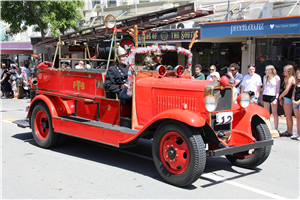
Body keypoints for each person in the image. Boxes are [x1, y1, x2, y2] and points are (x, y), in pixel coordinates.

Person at [261, 65, 281, 132]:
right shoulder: (265, 77)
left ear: (270, 70)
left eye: (266, 70)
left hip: (273, 95)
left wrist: (276, 98)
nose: (265, 71)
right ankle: (268, 128)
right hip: (266, 94)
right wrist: (261, 97)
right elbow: (263, 87)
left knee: (274, 113)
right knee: (266, 113)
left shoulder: (277, 78)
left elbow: (278, 89)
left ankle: (276, 128)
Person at [279, 65, 295, 137]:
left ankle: (290, 131)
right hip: (285, 98)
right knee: (287, 115)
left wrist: (280, 96)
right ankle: (288, 130)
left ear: (289, 72)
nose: (284, 72)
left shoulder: (291, 79)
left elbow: (286, 90)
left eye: (285, 71)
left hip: (288, 98)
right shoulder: (286, 78)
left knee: (288, 115)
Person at [291, 68, 300, 140]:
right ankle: (298, 133)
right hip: (295, 101)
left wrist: (298, 101)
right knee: (298, 118)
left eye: (298, 73)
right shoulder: (297, 82)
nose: (296, 75)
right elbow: (294, 92)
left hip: (299, 102)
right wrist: (293, 99)